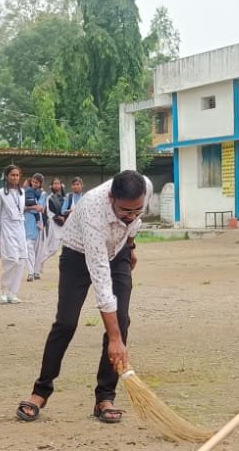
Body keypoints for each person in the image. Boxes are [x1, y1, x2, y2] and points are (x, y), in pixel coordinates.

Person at [16, 171, 148, 425]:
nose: (131, 216)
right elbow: (101, 283)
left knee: (121, 321)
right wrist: (115, 340)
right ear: (111, 198)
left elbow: (133, 223)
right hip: (78, 254)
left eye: (137, 210)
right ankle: (40, 391)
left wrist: (130, 245)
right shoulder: (91, 210)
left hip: (118, 251)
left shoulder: (145, 188)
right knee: (66, 322)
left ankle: (105, 397)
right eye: (125, 211)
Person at [0, 165, 28, 303]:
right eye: (12, 175)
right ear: (6, 176)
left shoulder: (22, 193)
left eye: (17, 175)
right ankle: (1, 290)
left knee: (21, 260)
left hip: (20, 229)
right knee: (11, 259)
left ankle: (12, 293)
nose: (15, 177)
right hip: (6, 230)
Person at [23, 174, 47, 280]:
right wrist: (32, 207)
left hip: (38, 223)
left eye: (36, 182)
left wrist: (30, 207)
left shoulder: (43, 193)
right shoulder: (25, 192)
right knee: (28, 246)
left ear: (40, 183)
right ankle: (30, 272)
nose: (34, 183)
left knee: (38, 248)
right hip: (27, 221)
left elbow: (40, 208)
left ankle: (36, 271)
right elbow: (22, 208)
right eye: (33, 181)